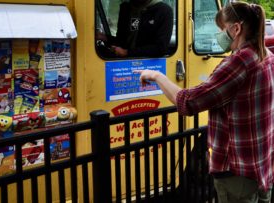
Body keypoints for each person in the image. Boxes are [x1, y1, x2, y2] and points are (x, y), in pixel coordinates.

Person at [134, 2, 274, 203]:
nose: (219, 34)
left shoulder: (239, 62)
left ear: (236, 28)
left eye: (221, 29)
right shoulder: (266, 56)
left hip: (237, 171)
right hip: (261, 164)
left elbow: (188, 102)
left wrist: (157, 76)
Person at [97, 0, 173, 57]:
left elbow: (160, 48)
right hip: (123, 63)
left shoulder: (164, 11)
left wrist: (126, 52)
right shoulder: (127, 8)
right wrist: (105, 38)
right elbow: (122, 41)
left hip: (148, 65)